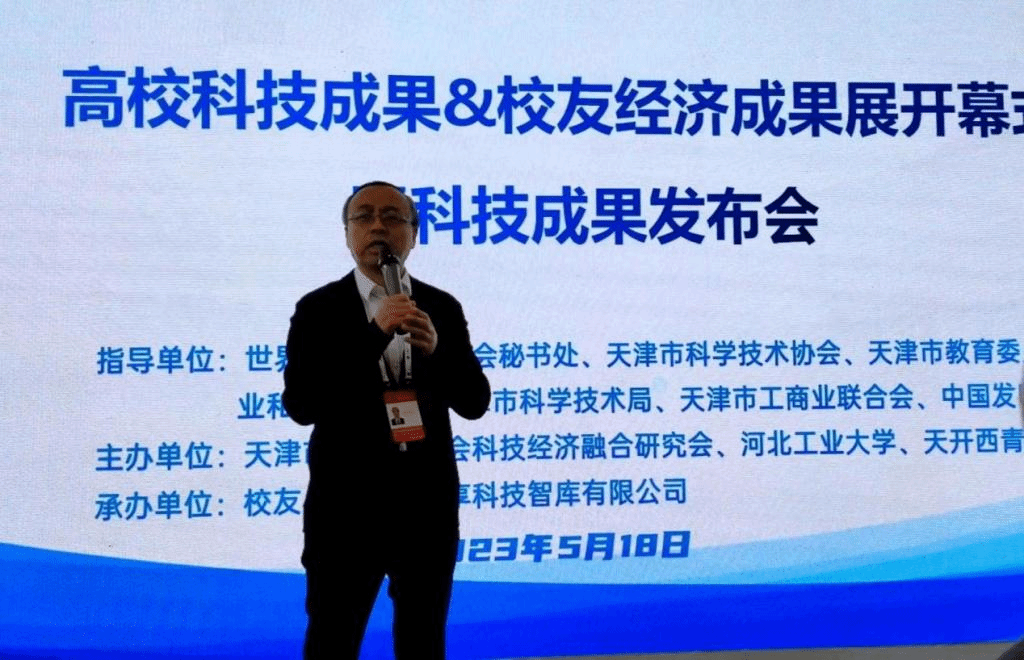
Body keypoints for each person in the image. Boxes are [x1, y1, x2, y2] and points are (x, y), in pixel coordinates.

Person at [282, 181, 491, 659]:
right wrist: (374, 333)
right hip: (345, 510)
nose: (378, 226)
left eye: (393, 217)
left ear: (414, 234)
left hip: (426, 509)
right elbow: (303, 404)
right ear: (347, 234)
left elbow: (474, 402)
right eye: (365, 217)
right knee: (333, 640)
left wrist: (437, 352)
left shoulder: (441, 306)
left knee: (423, 641)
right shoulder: (318, 309)